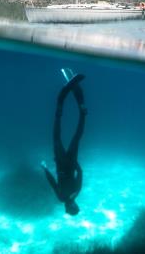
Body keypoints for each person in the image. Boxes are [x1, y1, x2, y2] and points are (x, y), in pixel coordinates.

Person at [42, 71, 87, 215]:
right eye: (76, 206)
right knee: (75, 136)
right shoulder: (73, 193)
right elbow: (79, 172)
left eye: (72, 207)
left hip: (63, 163)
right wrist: (73, 162)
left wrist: (45, 168)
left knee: (60, 137)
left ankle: (65, 108)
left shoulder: (64, 197)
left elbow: (52, 182)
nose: (73, 205)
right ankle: (82, 112)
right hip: (66, 163)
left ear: (68, 208)